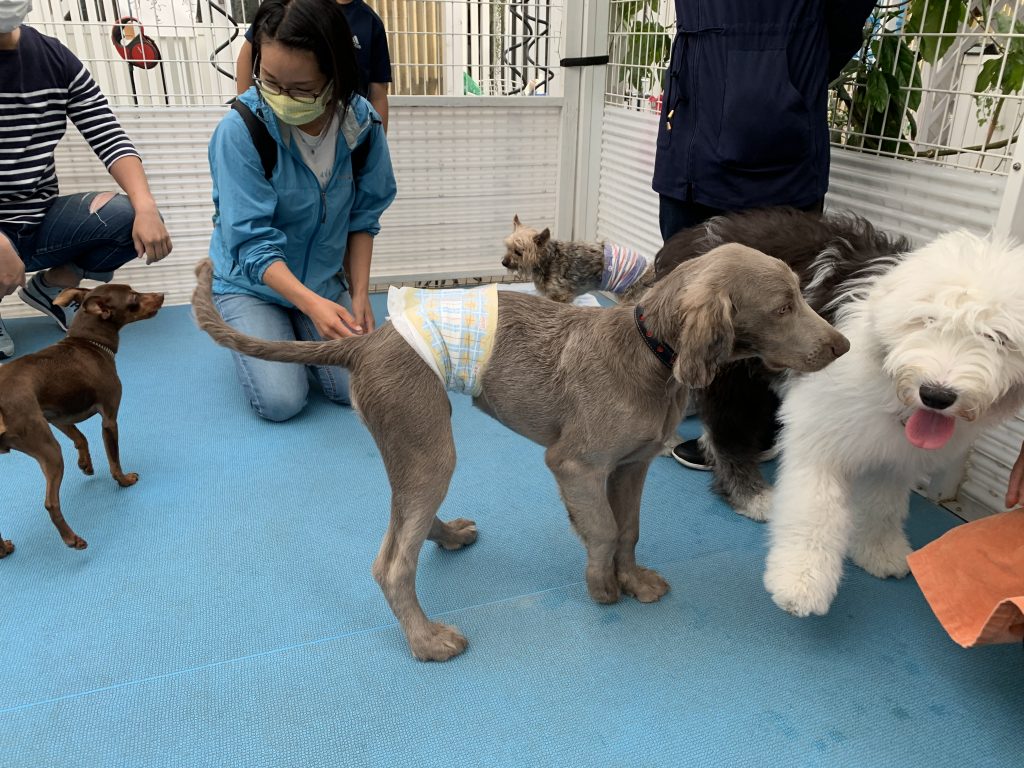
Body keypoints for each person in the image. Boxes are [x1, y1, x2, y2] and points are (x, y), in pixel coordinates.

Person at [652, 0, 876, 469]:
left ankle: (743, 433)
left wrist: (783, 72)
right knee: (676, 268)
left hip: (769, 134)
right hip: (690, 124)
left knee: (768, 300)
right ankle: (693, 385)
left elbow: (842, 19)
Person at [209, 0, 396, 422]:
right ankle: (256, 321)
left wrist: (361, 293)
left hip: (322, 277)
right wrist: (311, 306)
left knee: (359, 385)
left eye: (301, 89)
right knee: (281, 402)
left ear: (336, 76)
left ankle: (296, 324)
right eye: (270, 81)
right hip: (252, 284)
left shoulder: (361, 125)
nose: (281, 99)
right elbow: (250, 242)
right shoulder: (240, 131)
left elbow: (364, 216)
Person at [0, 0, 172, 359]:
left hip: (37, 221)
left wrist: (146, 206)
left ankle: (50, 289)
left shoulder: (53, 57)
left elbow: (107, 133)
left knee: (128, 216)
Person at [235, 0, 392, 131]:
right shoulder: (295, 6)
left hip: (342, 126)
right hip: (281, 118)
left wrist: (376, 142)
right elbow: (248, 53)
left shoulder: (370, 22)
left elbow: (378, 94)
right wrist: (247, 112)